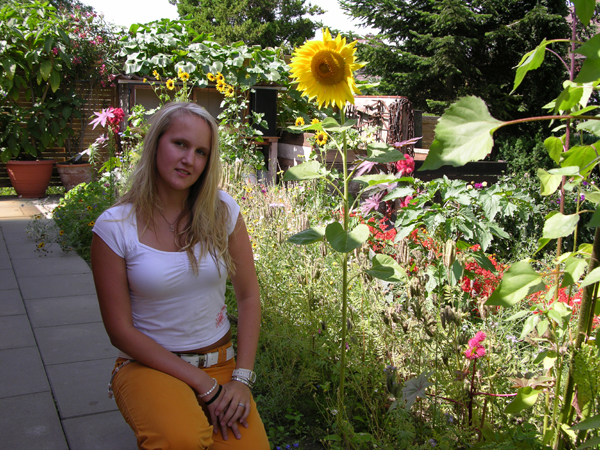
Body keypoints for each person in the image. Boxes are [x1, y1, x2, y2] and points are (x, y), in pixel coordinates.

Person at [91, 101, 269, 450]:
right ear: (156, 143)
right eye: (180, 144)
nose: (189, 159)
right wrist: (204, 386)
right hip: (149, 367)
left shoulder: (223, 211)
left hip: (221, 363)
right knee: (180, 439)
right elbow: (119, 331)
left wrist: (241, 380)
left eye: (201, 152)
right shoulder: (115, 227)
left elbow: (249, 297)